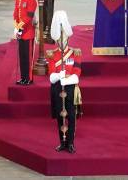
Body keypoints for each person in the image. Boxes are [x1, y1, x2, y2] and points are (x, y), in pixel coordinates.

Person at [46, 11, 82, 153]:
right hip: (56, 89)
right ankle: (62, 142)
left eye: (64, 36)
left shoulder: (75, 54)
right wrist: (60, 75)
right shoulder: (52, 55)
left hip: (70, 89)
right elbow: (50, 76)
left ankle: (71, 143)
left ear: (68, 36)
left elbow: (77, 75)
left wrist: (64, 77)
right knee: (60, 118)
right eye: (59, 38)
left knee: (71, 117)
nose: (62, 40)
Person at [8, 0, 37, 86]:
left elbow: (29, 17)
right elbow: (16, 13)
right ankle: (23, 77)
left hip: (28, 32)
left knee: (28, 58)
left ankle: (29, 78)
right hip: (20, 32)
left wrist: (20, 26)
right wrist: (16, 26)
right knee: (22, 57)